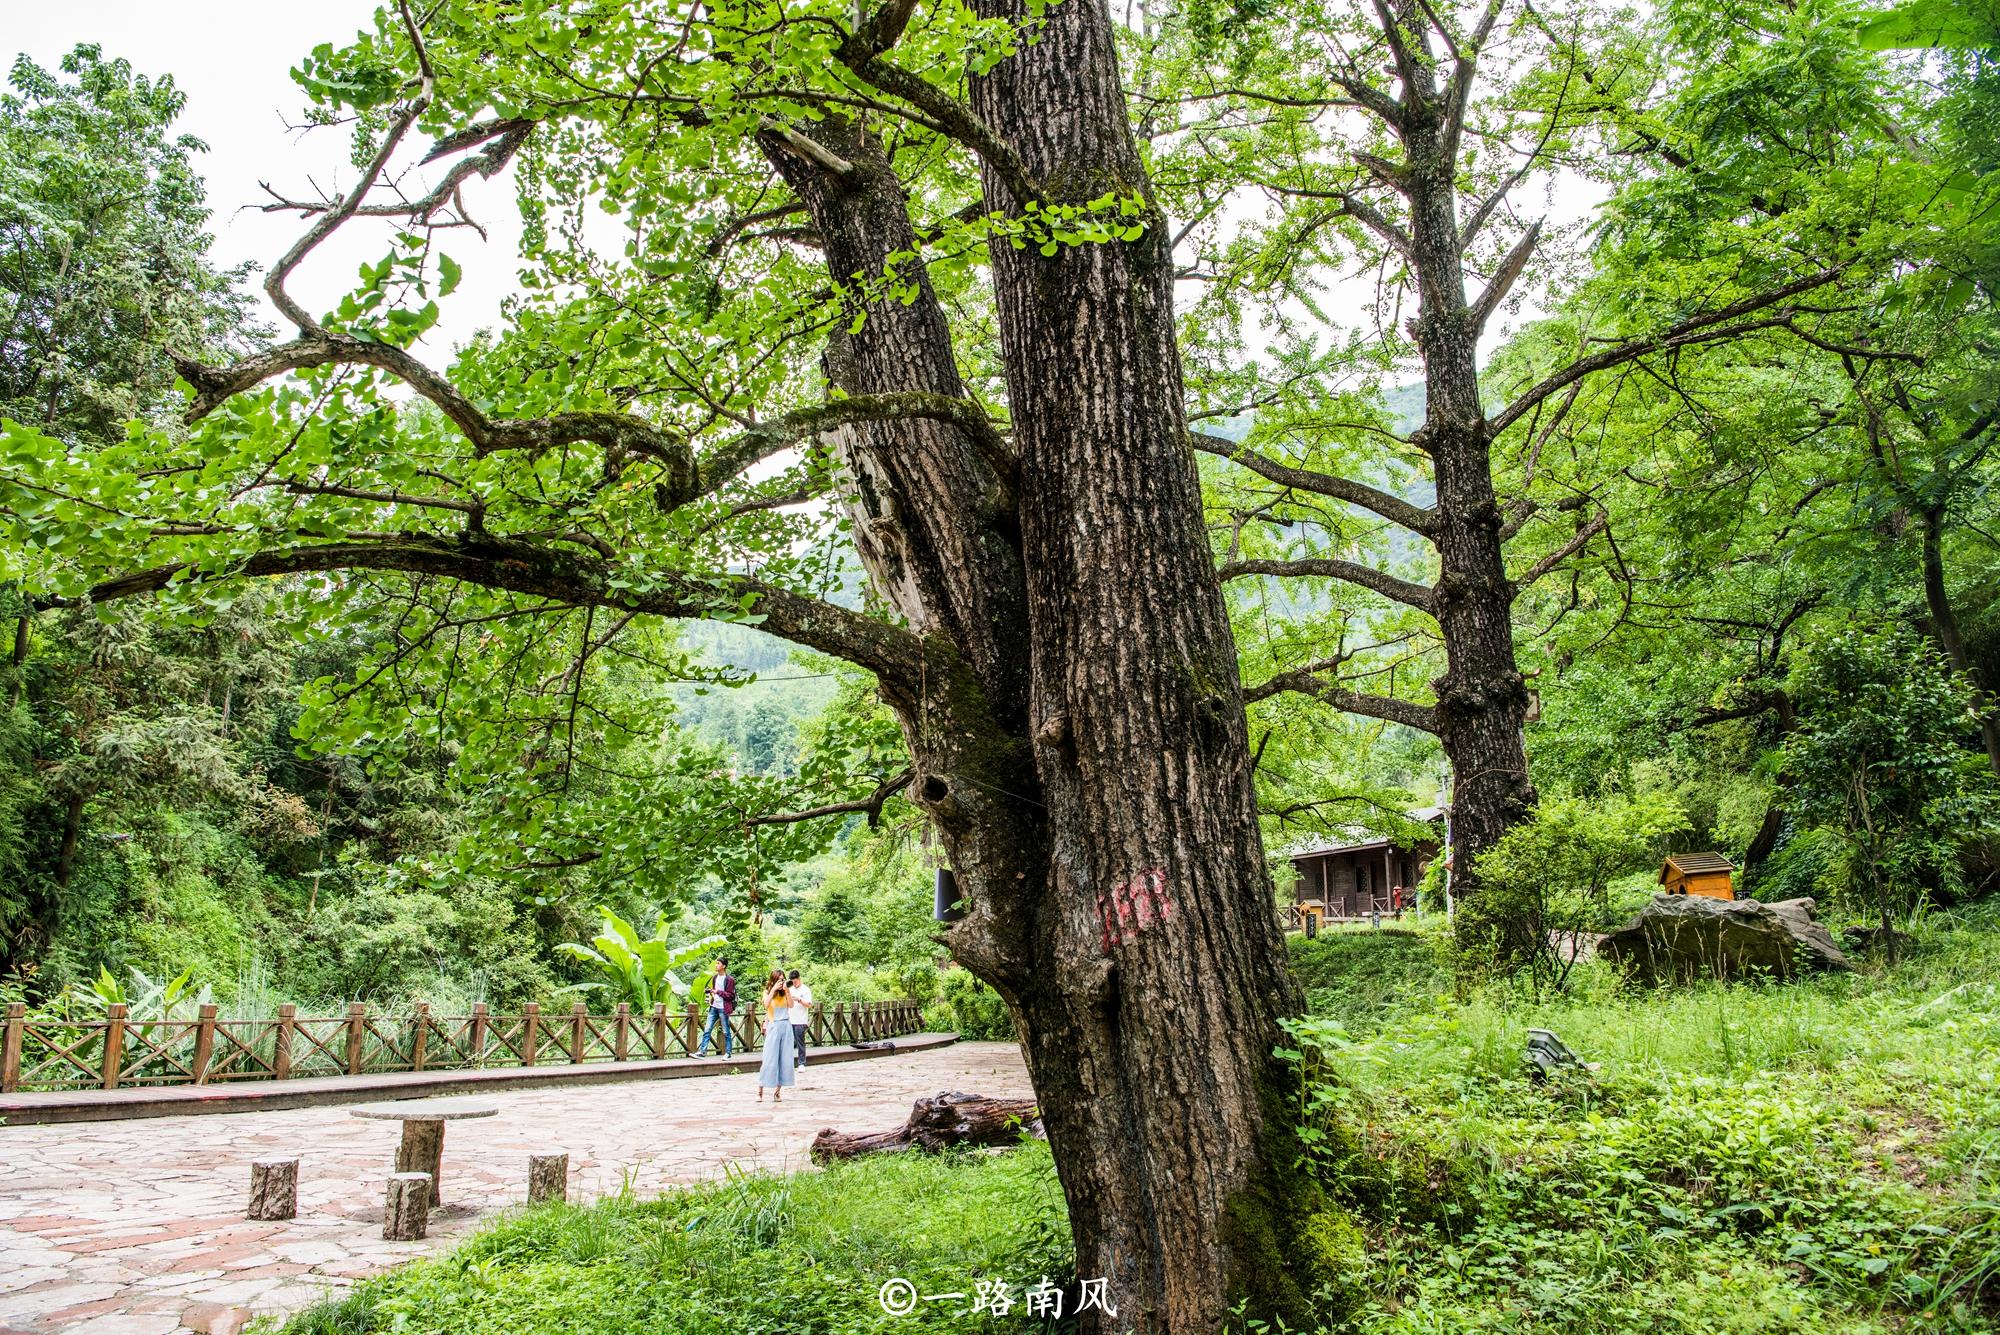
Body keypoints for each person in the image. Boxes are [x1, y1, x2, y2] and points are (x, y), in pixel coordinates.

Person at [757, 975, 797, 1100]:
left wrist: (787, 990)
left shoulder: (785, 992)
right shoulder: (767, 992)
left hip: (786, 1025)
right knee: (769, 1059)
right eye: (779, 979)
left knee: (785, 1059)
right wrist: (773, 989)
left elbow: (791, 1005)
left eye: (783, 978)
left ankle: (778, 1091)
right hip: (773, 1026)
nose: (781, 981)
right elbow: (766, 1004)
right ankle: (760, 1090)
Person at [696, 957, 736, 1057]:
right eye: (716, 963)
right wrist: (710, 991)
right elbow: (714, 990)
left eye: (718, 963)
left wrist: (718, 992)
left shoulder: (729, 979)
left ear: (724, 966)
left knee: (726, 1031)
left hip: (723, 1007)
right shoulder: (714, 978)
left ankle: (728, 1053)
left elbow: (731, 995)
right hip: (714, 1007)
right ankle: (702, 1051)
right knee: (707, 1029)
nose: (716, 965)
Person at [786, 968, 813, 1070]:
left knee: (800, 1043)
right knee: (788, 1043)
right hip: (789, 1019)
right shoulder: (790, 989)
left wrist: (799, 1000)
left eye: (795, 982)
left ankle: (802, 1063)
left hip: (800, 1020)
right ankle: (788, 1063)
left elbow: (809, 1005)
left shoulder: (806, 990)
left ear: (799, 979)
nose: (794, 984)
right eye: (792, 982)